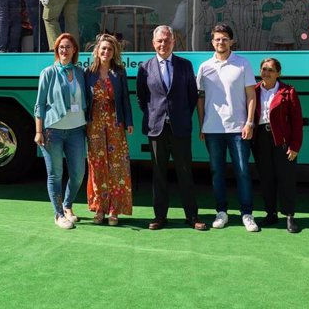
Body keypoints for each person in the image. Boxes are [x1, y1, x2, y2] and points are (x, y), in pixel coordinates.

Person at [136, 25, 206, 231]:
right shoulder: (144, 67)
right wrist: (156, 114)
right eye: (159, 41)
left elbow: (192, 95)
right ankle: (159, 217)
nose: (163, 44)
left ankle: (192, 216)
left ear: (173, 42)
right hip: (156, 128)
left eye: (167, 40)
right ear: (153, 43)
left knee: (185, 172)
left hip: (180, 128)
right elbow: (142, 98)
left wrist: (180, 115)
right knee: (159, 174)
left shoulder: (185, 65)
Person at [196, 24, 259, 232]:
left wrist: (249, 122)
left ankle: (247, 214)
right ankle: (221, 212)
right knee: (217, 172)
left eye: (224, 39)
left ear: (231, 41)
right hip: (213, 129)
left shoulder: (242, 64)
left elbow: (252, 95)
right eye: (216, 39)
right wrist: (202, 124)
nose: (220, 42)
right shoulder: (205, 67)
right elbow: (201, 98)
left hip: (239, 129)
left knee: (242, 172)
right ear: (212, 42)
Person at [34, 33, 87, 229]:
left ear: (74, 50)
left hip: (76, 130)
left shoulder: (81, 72)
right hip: (53, 131)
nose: (64, 50)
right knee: (55, 174)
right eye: (60, 47)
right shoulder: (48, 72)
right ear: (57, 51)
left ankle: (67, 205)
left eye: (67, 47)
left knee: (78, 173)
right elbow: (39, 104)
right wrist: (39, 131)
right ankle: (58, 215)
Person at [85, 34, 134, 226]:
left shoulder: (119, 73)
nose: (106, 52)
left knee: (117, 166)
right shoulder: (88, 72)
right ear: (97, 51)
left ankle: (114, 210)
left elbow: (125, 99)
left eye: (110, 49)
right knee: (97, 166)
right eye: (103, 48)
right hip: (94, 123)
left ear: (114, 53)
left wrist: (128, 121)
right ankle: (99, 208)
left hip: (115, 123)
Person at [252, 58, 304, 233]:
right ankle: (270, 214)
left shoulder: (288, 91)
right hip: (260, 139)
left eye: (271, 70)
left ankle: (289, 216)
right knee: (266, 178)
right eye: (264, 69)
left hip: (282, 140)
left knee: (286, 178)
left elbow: (297, 122)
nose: (266, 73)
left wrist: (295, 146)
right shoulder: (253, 90)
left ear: (278, 73)